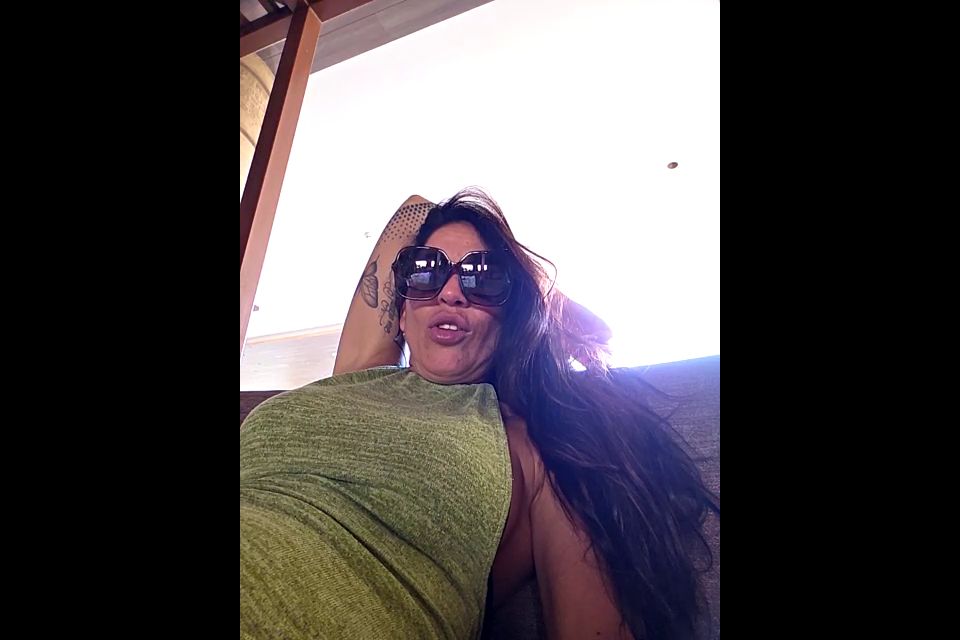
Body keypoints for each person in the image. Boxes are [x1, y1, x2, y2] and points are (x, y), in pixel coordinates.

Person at [240, 188, 718, 640]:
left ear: (511, 321)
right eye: (426, 270)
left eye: (482, 277)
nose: (450, 293)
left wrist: (530, 298)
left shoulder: (532, 444)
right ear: (402, 314)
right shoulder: (357, 377)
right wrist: (514, 282)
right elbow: (414, 209)